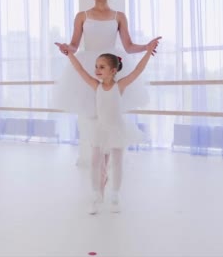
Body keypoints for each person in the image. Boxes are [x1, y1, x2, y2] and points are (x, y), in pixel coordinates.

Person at [52, 0, 161, 166]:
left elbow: (128, 46)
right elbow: (75, 45)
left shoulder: (119, 16)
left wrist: (146, 47)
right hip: (90, 63)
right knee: (90, 114)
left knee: (112, 110)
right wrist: (67, 49)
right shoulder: (82, 16)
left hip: (111, 64)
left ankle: (112, 157)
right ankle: (92, 156)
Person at [65, 38, 160, 214]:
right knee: (95, 163)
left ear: (113, 70)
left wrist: (148, 51)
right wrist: (69, 53)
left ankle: (115, 195)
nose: (96, 70)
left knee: (116, 163)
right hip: (100, 129)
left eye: (102, 67)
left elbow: (138, 70)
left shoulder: (120, 86)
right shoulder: (96, 85)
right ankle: (96, 195)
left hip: (117, 129)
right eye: (96, 66)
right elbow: (79, 70)